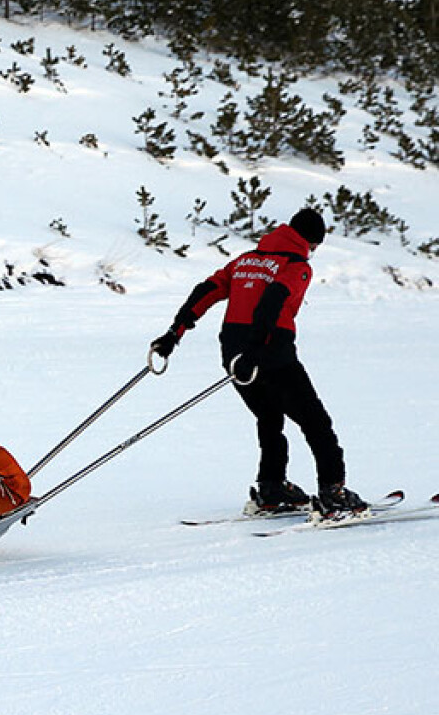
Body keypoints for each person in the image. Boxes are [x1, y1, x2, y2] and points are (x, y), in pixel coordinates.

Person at [150, 207, 367, 519]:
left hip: (233, 353)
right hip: (270, 352)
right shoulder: (297, 266)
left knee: (269, 417)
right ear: (310, 241)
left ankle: (272, 487)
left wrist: (175, 333)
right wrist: (256, 350)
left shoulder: (246, 260)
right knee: (316, 423)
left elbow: (206, 291)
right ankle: (334, 492)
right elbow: (272, 301)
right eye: (315, 246)